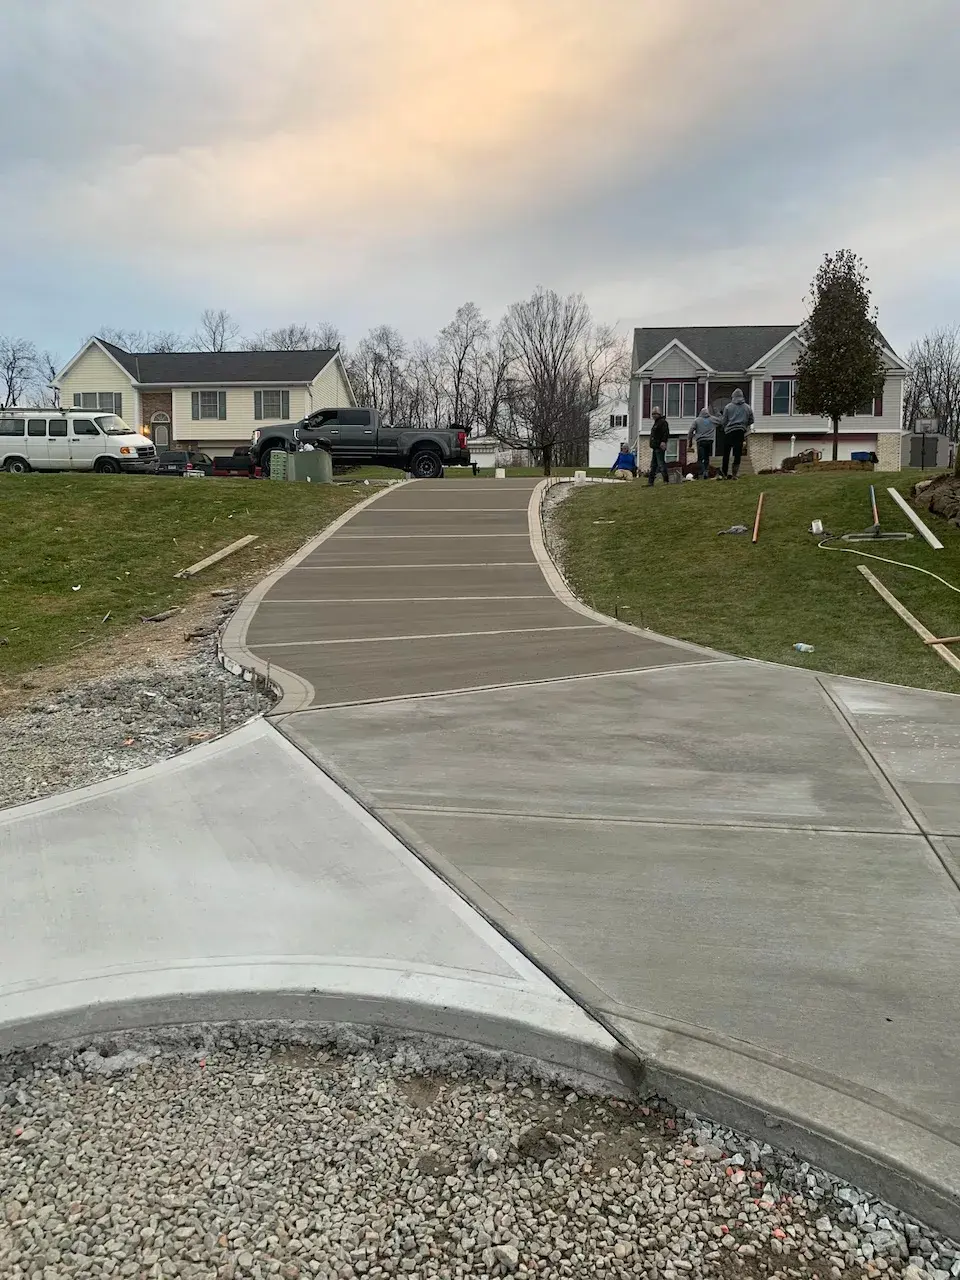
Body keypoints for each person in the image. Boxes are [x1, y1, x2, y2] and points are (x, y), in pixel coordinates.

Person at [719, 389, 754, 479]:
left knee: (726, 453)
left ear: (733, 396)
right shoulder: (747, 407)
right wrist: (744, 425)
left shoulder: (728, 407)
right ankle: (735, 474)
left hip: (729, 431)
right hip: (740, 431)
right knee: (737, 453)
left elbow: (723, 421)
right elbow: (752, 420)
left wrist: (724, 426)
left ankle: (724, 473)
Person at [687, 406, 719, 479]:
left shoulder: (697, 420)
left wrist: (690, 441)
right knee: (707, 457)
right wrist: (717, 412)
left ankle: (701, 473)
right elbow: (721, 421)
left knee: (700, 458)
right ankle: (706, 472)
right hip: (709, 441)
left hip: (701, 441)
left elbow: (691, 431)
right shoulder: (712, 419)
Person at [648, 408, 670, 486]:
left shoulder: (663, 423)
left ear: (659, 414)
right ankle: (650, 482)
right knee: (653, 465)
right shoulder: (656, 423)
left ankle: (666, 480)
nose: (653, 416)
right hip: (655, 447)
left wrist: (663, 442)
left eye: (655, 414)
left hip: (659, 446)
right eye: (653, 414)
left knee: (661, 464)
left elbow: (666, 433)